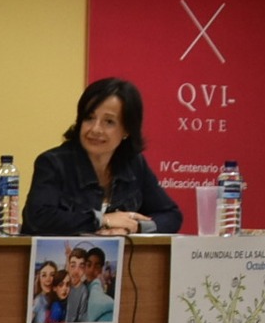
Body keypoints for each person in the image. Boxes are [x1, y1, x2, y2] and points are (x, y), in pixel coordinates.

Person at [21, 79, 183, 236]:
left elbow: (171, 215)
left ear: (127, 130)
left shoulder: (133, 164)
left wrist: (135, 227)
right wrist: (103, 220)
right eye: (89, 118)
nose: (95, 129)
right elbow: (37, 219)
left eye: (109, 122)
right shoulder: (54, 163)